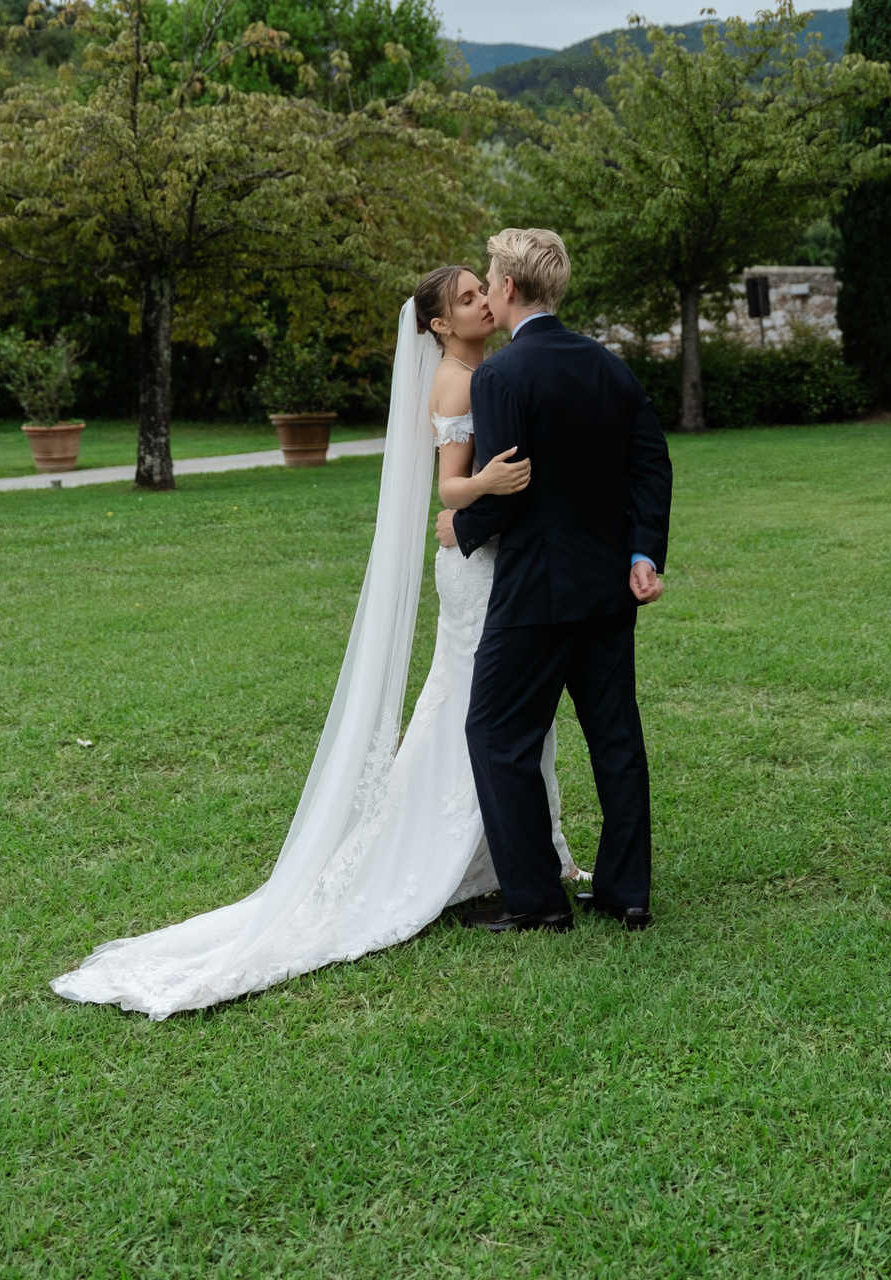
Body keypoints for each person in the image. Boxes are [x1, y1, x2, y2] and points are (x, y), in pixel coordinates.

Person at [50, 265, 586, 1019]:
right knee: (482, 711)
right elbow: (450, 488)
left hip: (495, 564)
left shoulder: (483, 372)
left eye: (480, 290)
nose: (480, 303)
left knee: (504, 711)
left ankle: (517, 854)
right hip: (475, 571)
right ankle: (472, 855)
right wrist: (487, 486)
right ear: (439, 325)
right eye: (465, 299)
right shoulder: (456, 383)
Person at [437, 228, 673, 934]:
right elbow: (651, 465)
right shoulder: (610, 368)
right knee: (616, 738)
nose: (487, 290)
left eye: (489, 279)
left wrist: (461, 526)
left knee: (494, 732)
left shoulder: (500, 376)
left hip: (534, 590)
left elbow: (509, 486)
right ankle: (627, 893)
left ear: (509, 286)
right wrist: (643, 553)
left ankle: (536, 899)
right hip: (607, 587)